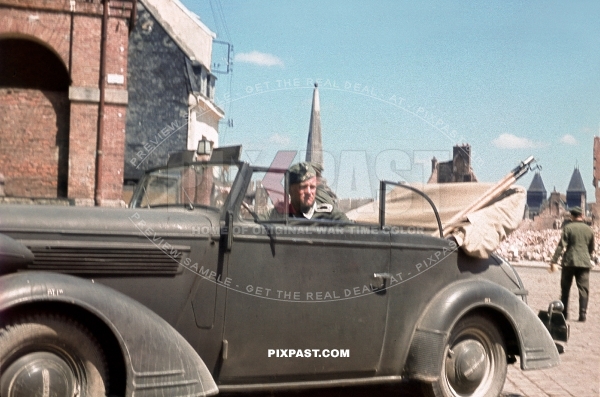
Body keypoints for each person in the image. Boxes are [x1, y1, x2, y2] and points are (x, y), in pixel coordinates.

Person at [549, 206, 594, 321]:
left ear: (572, 216)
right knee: (584, 289)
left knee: (565, 288)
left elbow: (561, 245)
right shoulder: (589, 230)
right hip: (584, 263)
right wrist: (586, 256)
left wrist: (554, 260)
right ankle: (582, 314)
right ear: (582, 216)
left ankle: (564, 313)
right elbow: (591, 247)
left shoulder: (568, 228)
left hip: (569, 262)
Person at [269, 162, 349, 221]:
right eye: (303, 187)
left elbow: (353, 231)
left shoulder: (329, 214)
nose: (309, 192)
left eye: (312, 187)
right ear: (290, 190)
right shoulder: (278, 214)